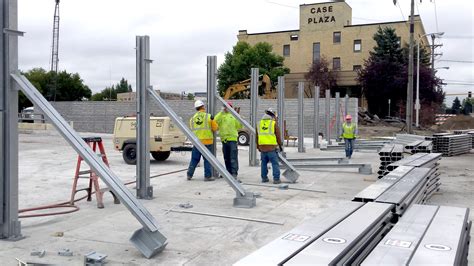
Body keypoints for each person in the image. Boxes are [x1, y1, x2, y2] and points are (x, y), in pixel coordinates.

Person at [187, 100, 218, 181]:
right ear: (203, 106)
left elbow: (191, 129)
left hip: (197, 142)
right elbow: (215, 128)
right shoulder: (209, 116)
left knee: (194, 159)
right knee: (207, 159)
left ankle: (189, 175)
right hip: (207, 141)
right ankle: (207, 176)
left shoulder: (192, 119)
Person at [214, 101, 242, 181]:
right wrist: (221, 112)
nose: (226, 108)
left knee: (233, 157)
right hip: (224, 139)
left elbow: (239, 125)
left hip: (232, 139)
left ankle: (234, 173)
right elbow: (215, 121)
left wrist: (238, 116)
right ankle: (228, 172)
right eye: (225, 107)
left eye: (227, 107)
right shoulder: (221, 116)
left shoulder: (233, 116)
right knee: (226, 157)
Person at [256, 108, 283, 184]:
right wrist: (280, 146)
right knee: (275, 163)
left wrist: (258, 147)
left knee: (263, 163)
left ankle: (264, 178)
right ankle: (276, 179)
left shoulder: (259, 123)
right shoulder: (273, 123)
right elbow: (278, 136)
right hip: (272, 148)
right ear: (272, 115)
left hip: (262, 148)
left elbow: (257, 137)